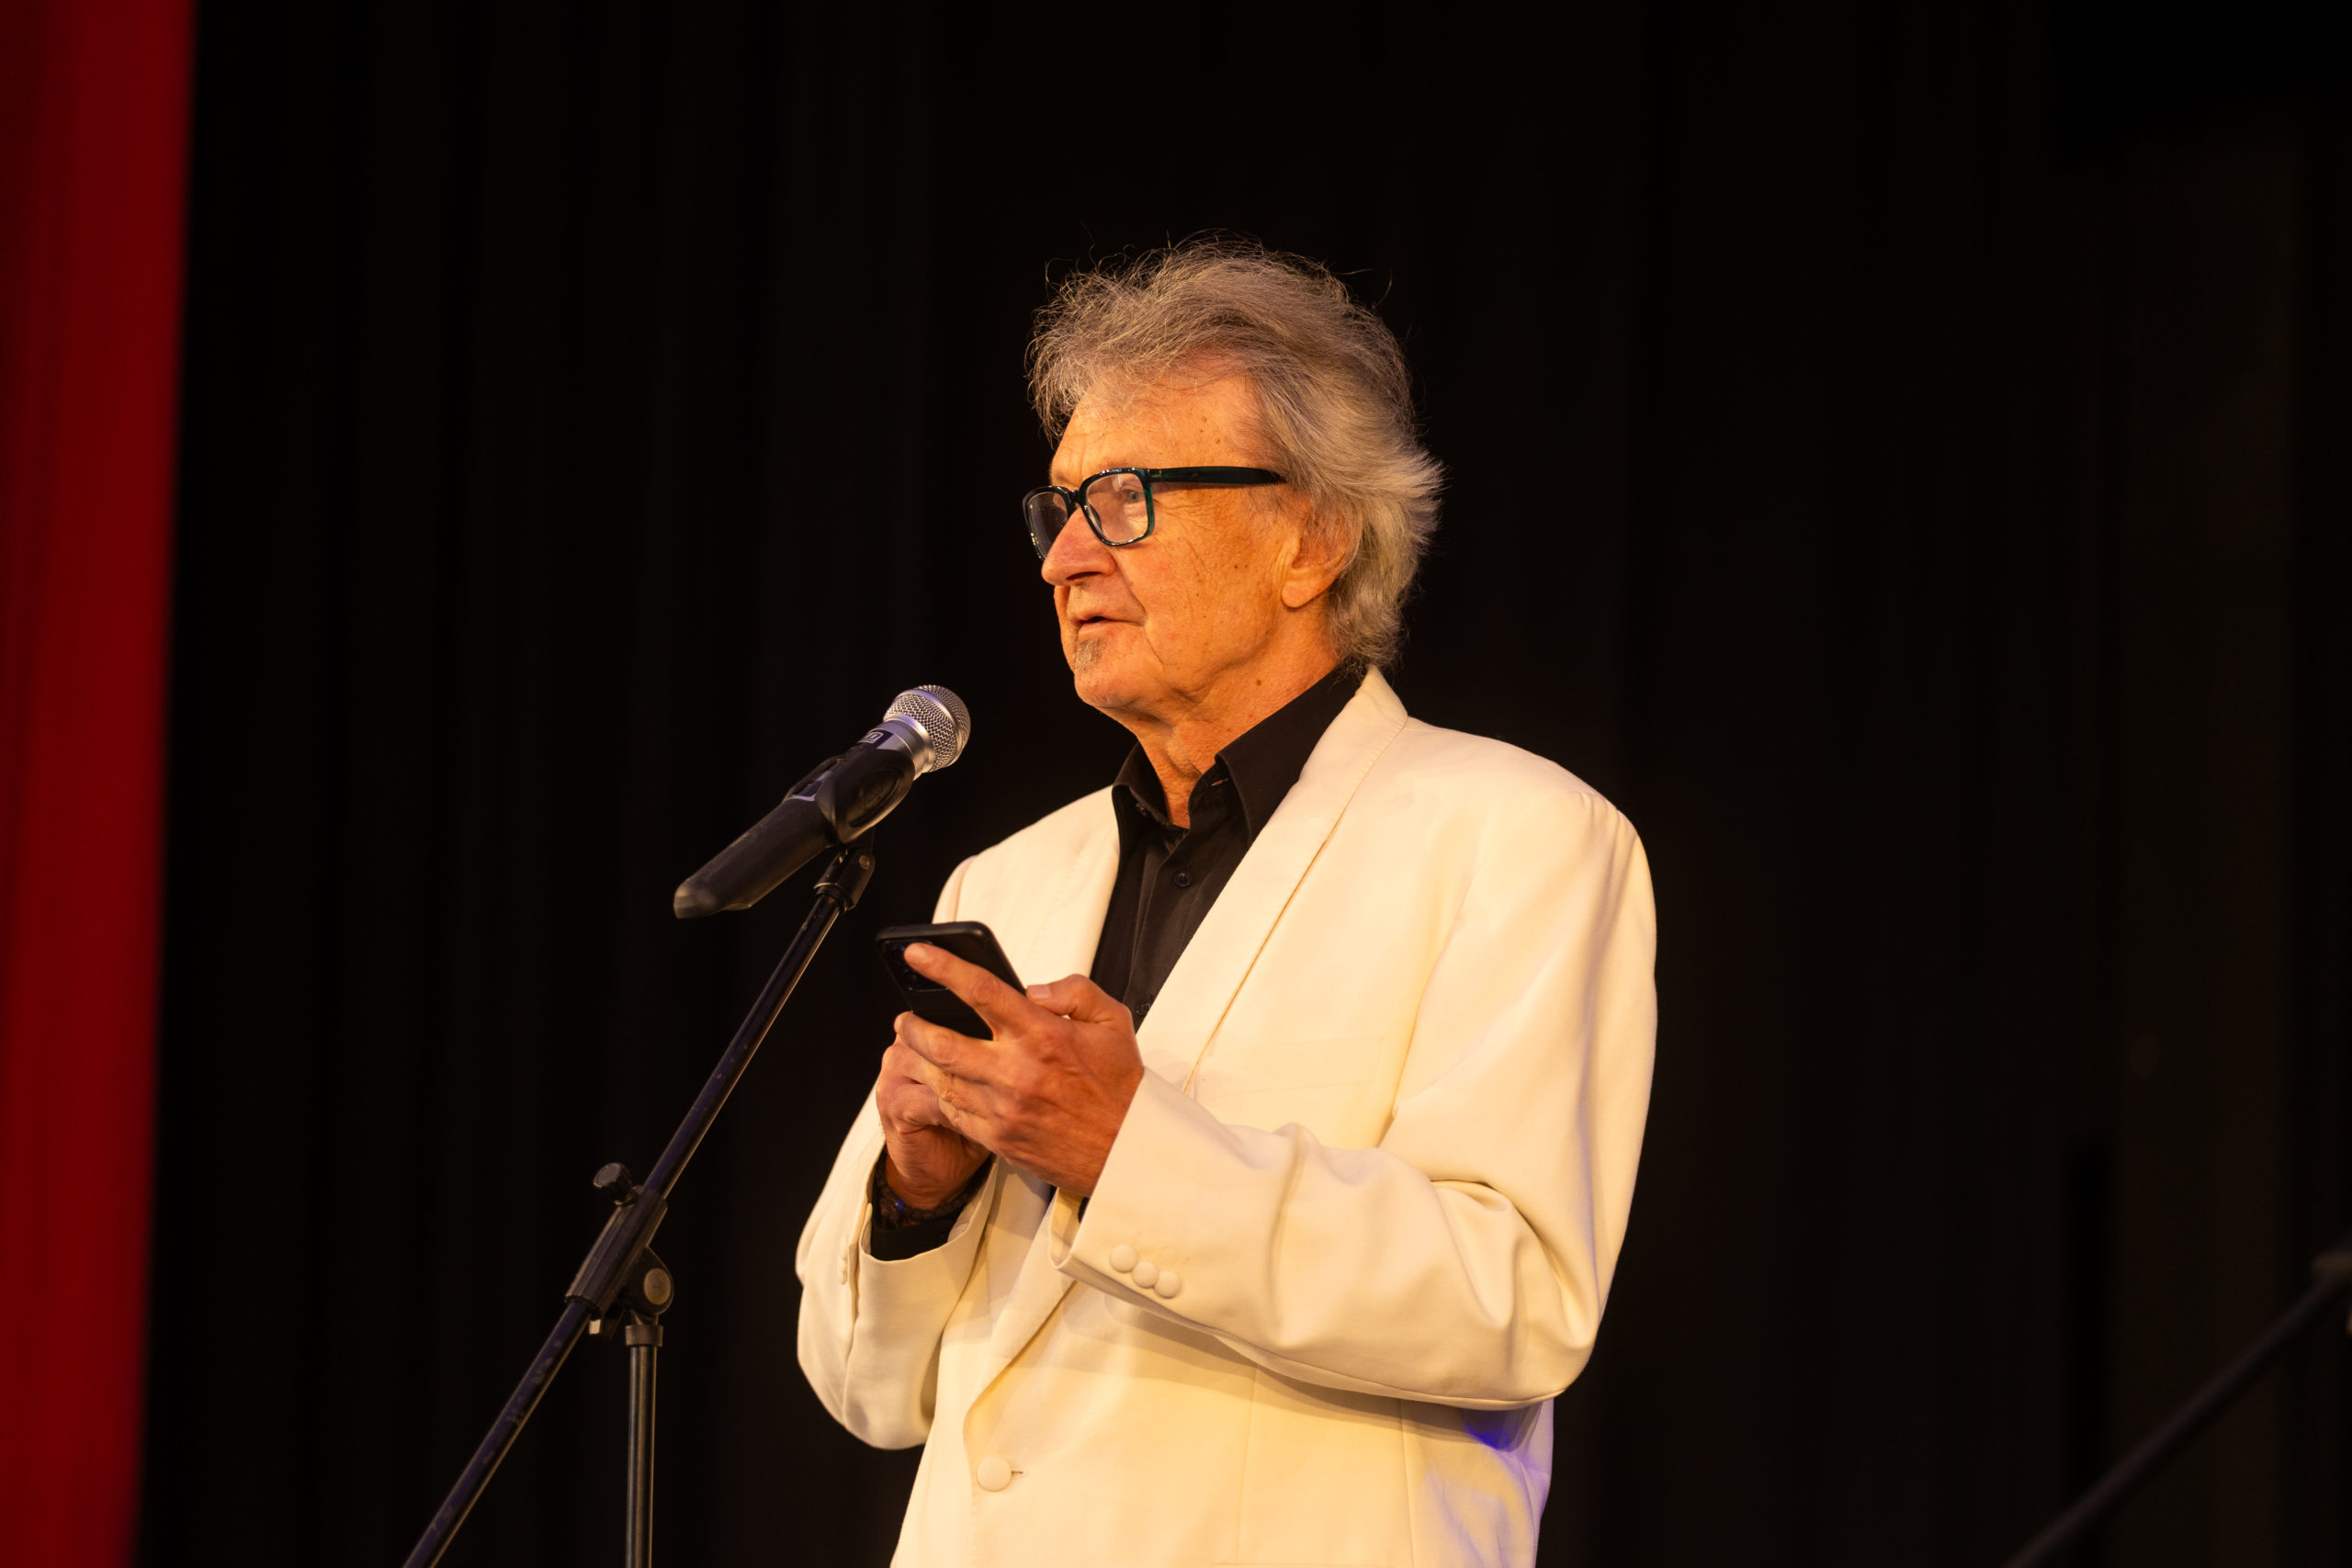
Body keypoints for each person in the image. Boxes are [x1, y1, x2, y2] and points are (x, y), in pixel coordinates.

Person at [796, 240, 1656, 1568]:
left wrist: (1126, 1150)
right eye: (1058, 508)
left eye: (1123, 500)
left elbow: (1516, 1301)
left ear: (1312, 539)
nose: (1063, 560)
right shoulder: (1010, 879)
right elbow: (869, 1390)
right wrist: (916, 1194)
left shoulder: (1519, 836)